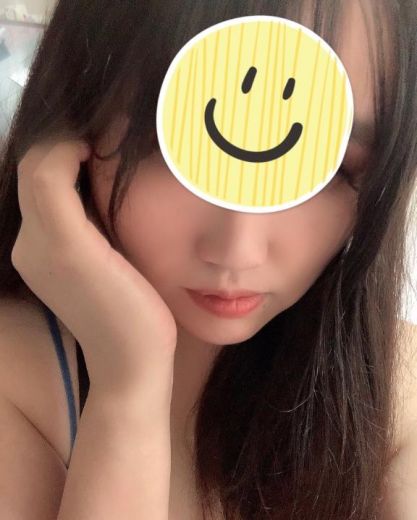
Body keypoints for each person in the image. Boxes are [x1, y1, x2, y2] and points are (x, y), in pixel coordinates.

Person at [0, 0, 416, 518]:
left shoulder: (400, 390)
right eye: (172, 149)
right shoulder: (16, 381)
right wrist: (128, 392)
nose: (238, 250)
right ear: (69, 136)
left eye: (326, 167)